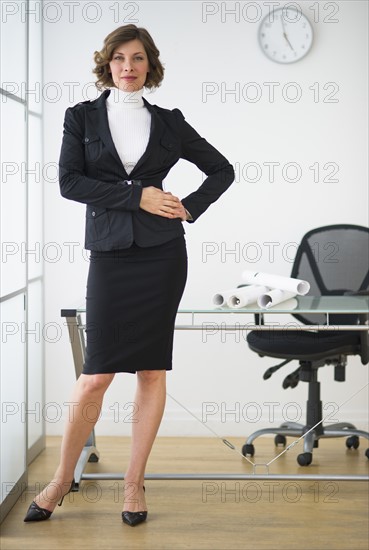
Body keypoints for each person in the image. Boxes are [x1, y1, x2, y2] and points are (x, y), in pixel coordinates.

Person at [24, 24, 234, 527]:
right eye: (119, 57)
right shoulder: (81, 117)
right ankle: (59, 480)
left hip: (162, 255)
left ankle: (134, 484)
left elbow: (222, 169)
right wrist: (136, 195)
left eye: (138, 58)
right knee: (95, 375)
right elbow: (69, 182)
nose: (128, 66)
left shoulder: (169, 122)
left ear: (149, 65)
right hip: (111, 255)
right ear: (107, 63)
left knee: (151, 371)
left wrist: (188, 207)